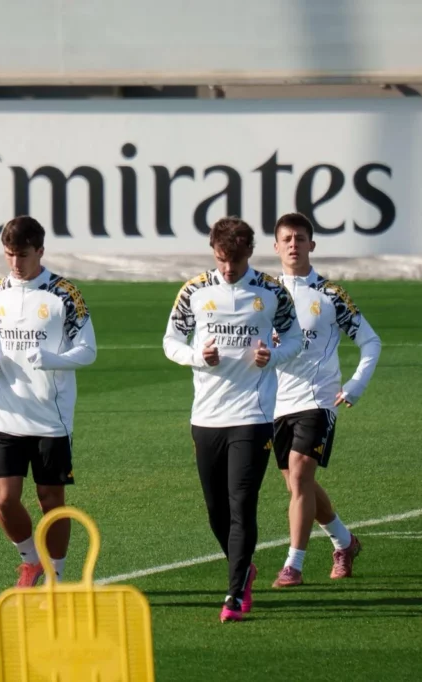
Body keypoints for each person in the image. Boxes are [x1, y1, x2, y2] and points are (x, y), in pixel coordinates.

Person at [163, 216, 302, 622]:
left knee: (243, 504)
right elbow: (170, 341)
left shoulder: (270, 291)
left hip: (253, 416)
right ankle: (243, 565)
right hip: (206, 416)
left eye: (235, 261)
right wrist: (196, 357)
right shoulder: (195, 291)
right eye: (222, 259)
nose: (228, 268)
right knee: (216, 510)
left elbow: (294, 337)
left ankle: (236, 592)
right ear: (213, 251)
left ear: (249, 255)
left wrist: (272, 356)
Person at [0, 215, 97, 588]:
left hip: (50, 417)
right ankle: (32, 561)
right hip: (6, 413)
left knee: (50, 500)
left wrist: (54, 360)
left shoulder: (64, 294)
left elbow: (89, 351)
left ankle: (57, 578)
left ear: (40, 252)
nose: (15, 263)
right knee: (3, 498)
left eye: (23, 255)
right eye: (9, 254)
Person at [269, 212, 381, 588]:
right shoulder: (264, 294)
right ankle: (344, 542)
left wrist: (355, 385)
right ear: (275, 246)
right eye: (286, 239)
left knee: (300, 474)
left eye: (300, 238)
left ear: (312, 245)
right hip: (275, 404)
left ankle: (293, 565)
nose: (293, 245)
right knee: (298, 486)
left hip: (318, 400)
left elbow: (370, 341)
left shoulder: (329, 294)